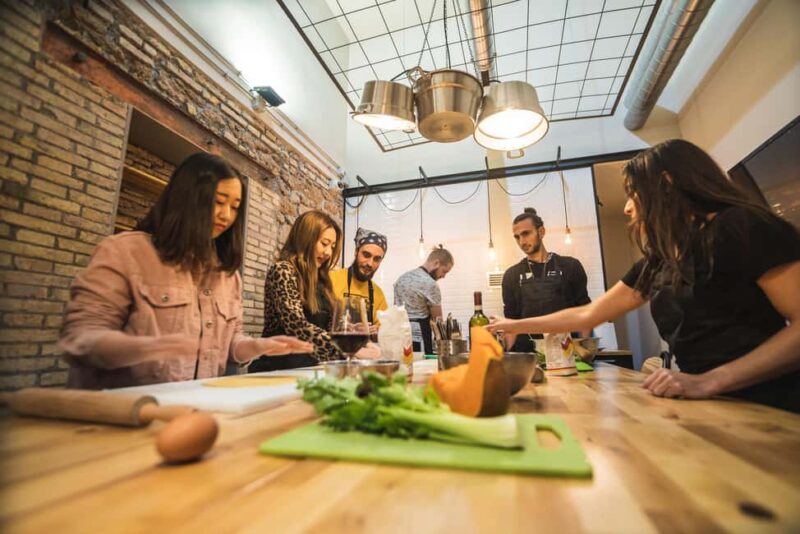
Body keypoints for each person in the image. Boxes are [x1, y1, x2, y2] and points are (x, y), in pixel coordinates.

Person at [488, 139, 800, 412]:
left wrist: (710, 381)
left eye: (633, 193)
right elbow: (587, 314)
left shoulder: (742, 225)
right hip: (708, 403)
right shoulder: (659, 261)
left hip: (768, 405)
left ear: (666, 184)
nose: (627, 208)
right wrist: (512, 325)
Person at [59, 153, 311, 389]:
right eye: (218, 202)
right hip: (122, 410)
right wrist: (148, 348)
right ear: (187, 199)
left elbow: (230, 343)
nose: (226, 215)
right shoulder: (124, 252)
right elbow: (80, 338)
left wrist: (258, 346)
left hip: (194, 406)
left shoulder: (227, 274)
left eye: (235, 207)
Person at [250, 210, 379, 372]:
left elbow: (330, 327)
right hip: (279, 368)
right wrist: (348, 350)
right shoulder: (283, 270)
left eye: (332, 247)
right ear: (306, 239)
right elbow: (297, 326)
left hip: (312, 368)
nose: (328, 252)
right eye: (324, 244)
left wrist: (352, 331)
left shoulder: (322, 281)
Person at [500, 207, 591, 353]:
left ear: (541, 232)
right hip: (528, 356)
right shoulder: (511, 276)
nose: (522, 241)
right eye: (517, 237)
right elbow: (511, 323)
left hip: (566, 353)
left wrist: (584, 350)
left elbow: (585, 313)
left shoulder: (570, 266)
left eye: (526, 233)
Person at [393, 245, 454, 354]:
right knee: (422, 363)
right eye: (444, 271)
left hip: (398, 335)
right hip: (420, 337)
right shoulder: (430, 284)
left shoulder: (401, 279)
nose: (443, 276)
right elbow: (438, 321)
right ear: (436, 263)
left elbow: (395, 309)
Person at [330, 227, 389, 335]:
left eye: (376, 259)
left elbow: (386, 330)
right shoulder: (332, 279)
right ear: (356, 252)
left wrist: (378, 333)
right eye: (366, 255)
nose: (370, 263)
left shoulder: (378, 293)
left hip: (365, 345)